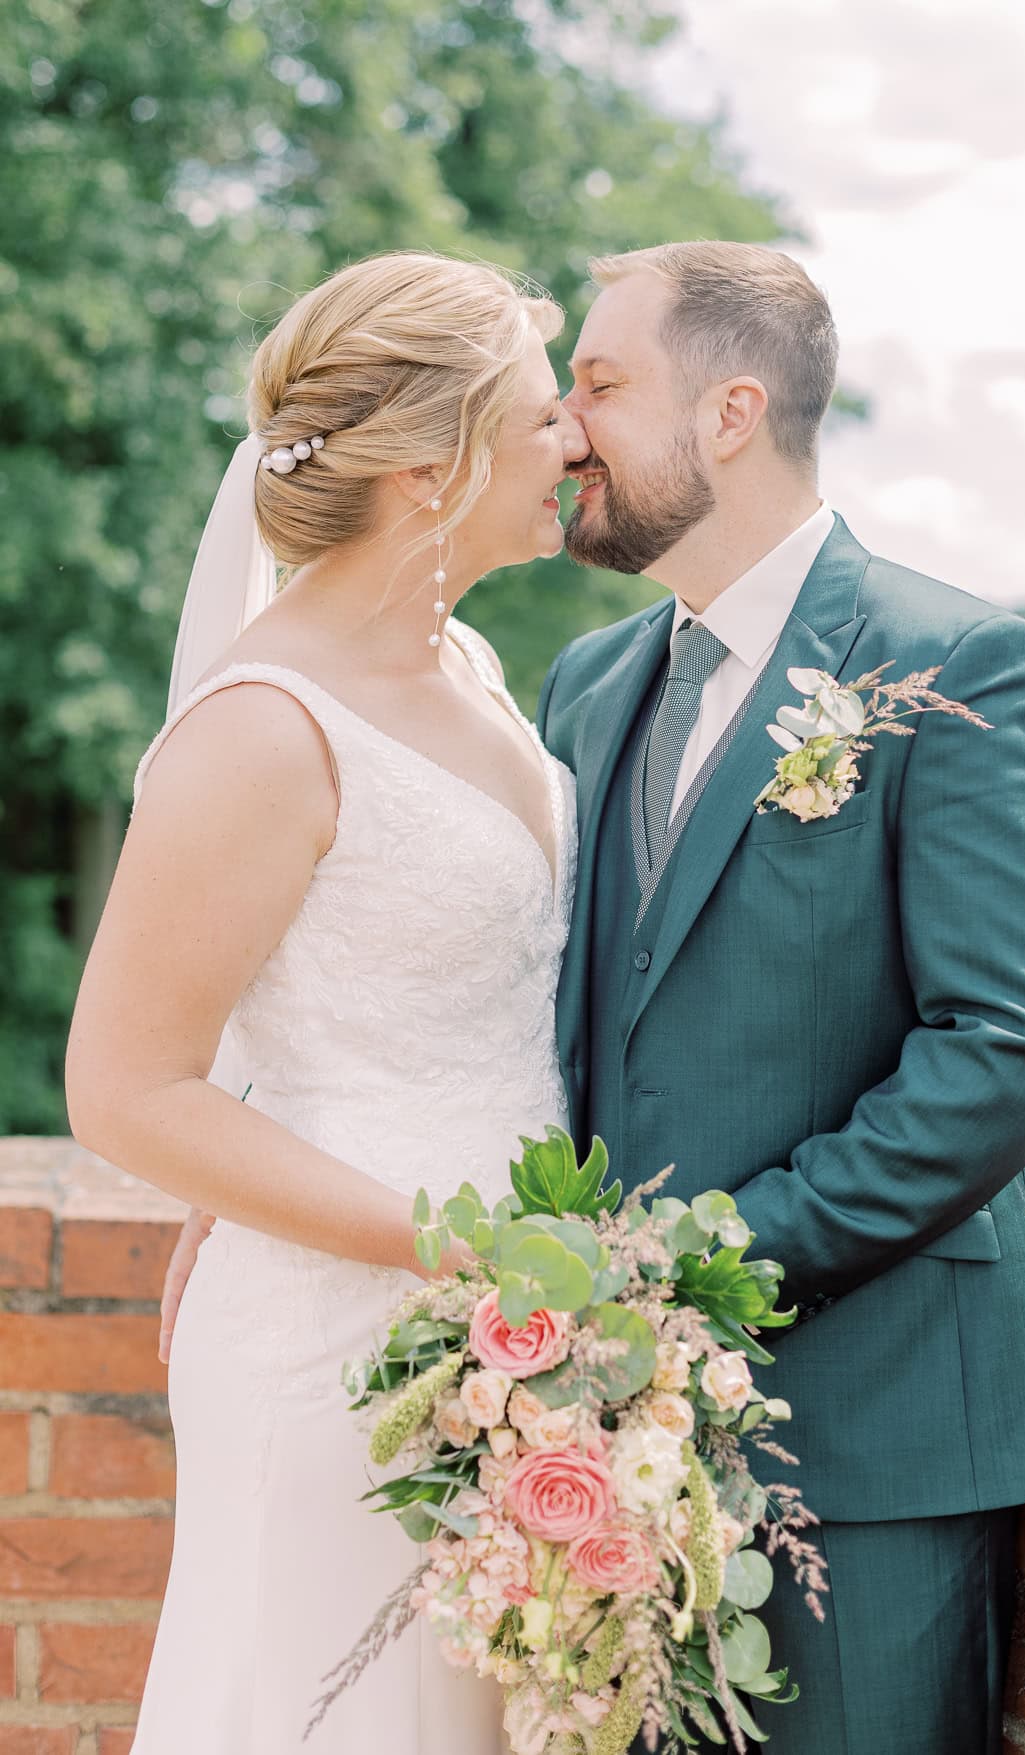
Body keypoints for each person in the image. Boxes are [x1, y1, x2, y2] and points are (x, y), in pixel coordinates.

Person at [536, 239, 1025, 1753]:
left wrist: (717, 1260)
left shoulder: (956, 661)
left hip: (874, 1447)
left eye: (597, 383)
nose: (559, 423)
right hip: (608, 1439)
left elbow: (1014, 1044)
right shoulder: (588, 687)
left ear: (728, 414)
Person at [65, 250, 588, 1755]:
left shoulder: (471, 662)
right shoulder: (262, 729)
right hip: (342, 1339)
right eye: (542, 418)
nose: (573, 445)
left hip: (510, 1325)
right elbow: (123, 1088)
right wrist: (459, 1248)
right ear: (431, 474)